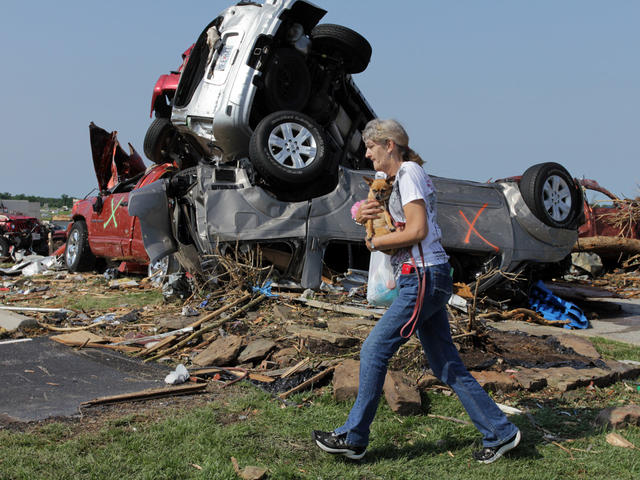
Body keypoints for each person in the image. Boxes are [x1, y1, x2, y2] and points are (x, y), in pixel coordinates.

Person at [312, 119, 521, 463]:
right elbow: (401, 223)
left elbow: (418, 230)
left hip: (422, 277)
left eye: (370, 146)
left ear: (389, 145)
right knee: (446, 365)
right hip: (429, 276)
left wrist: (376, 242)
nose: (366, 153)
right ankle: (501, 432)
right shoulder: (401, 178)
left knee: (374, 350)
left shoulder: (408, 173)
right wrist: (362, 215)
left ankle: (354, 437)